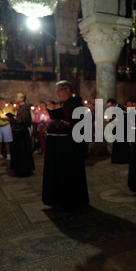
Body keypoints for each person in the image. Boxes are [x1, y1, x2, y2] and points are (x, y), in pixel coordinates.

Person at [42, 80, 89, 210]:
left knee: (71, 174)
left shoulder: (77, 106)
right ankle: (62, 198)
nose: (57, 94)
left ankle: (71, 200)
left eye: (59, 91)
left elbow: (78, 127)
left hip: (70, 147)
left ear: (68, 90)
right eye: (57, 91)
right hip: (61, 145)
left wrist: (65, 124)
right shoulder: (66, 105)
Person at [10, 92, 35, 177]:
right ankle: (20, 169)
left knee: (22, 152)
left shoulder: (24, 109)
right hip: (20, 133)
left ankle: (23, 170)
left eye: (17, 97)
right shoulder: (21, 108)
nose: (15, 98)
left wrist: (14, 119)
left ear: (21, 99)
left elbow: (26, 122)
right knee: (20, 152)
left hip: (22, 134)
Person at [106, 98, 130, 164]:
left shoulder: (121, 108)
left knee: (122, 145)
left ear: (114, 104)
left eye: (110, 106)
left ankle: (123, 160)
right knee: (117, 145)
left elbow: (125, 118)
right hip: (117, 130)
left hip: (123, 130)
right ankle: (117, 160)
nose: (109, 108)